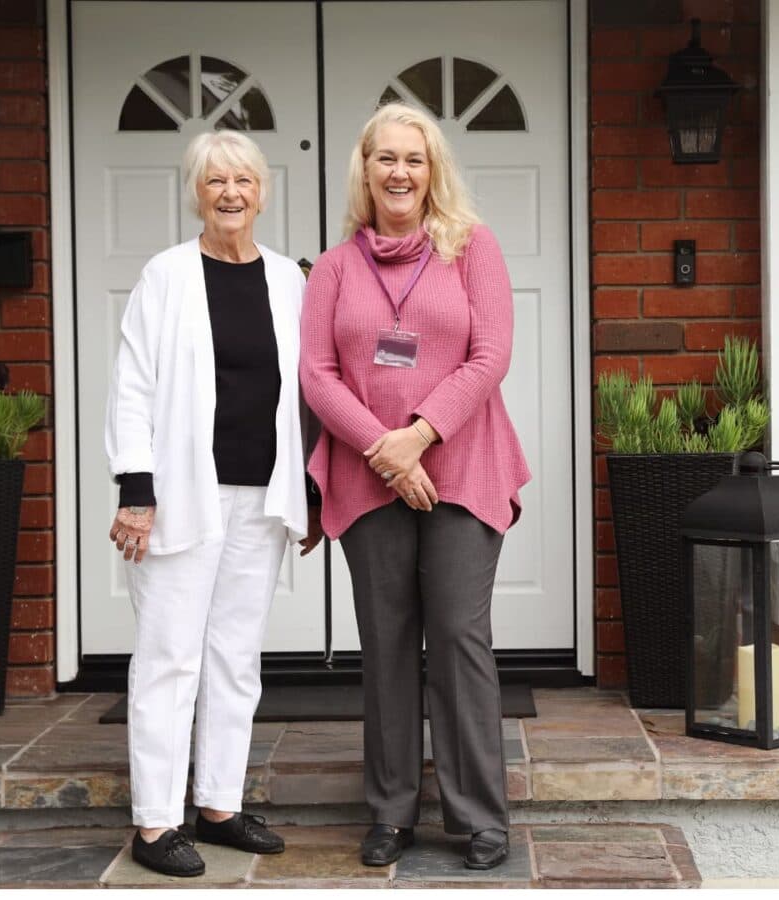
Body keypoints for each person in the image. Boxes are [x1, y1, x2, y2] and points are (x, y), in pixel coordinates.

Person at [300, 103, 530, 870]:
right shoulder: (334, 269)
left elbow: (490, 354)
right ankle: (392, 810)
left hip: (463, 468)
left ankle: (477, 817)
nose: (400, 172)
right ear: (364, 169)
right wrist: (382, 450)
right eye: (385, 158)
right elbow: (316, 374)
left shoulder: (473, 247)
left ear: (434, 170)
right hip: (370, 480)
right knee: (387, 644)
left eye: (415, 159)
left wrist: (420, 436)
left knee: (460, 638)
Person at [106, 130, 323, 878]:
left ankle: (219, 805)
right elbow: (132, 386)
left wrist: (311, 491)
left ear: (262, 191)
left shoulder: (289, 280)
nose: (230, 193)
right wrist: (136, 490)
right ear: (195, 192)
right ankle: (155, 822)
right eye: (214, 181)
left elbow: (307, 394)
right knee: (169, 658)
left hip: (261, 497)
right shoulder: (165, 276)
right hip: (177, 499)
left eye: (243, 181)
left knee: (235, 658)